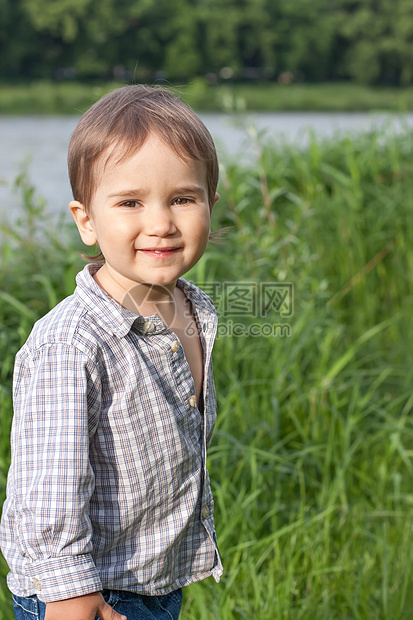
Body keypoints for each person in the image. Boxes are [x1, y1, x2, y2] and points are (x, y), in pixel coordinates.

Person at [0, 84, 223, 620]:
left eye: (183, 198)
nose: (161, 223)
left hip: (152, 575)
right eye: (130, 202)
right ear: (86, 219)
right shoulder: (72, 343)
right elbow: (48, 485)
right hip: (87, 590)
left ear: (210, 205)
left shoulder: (193, 309)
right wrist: (71, 595)